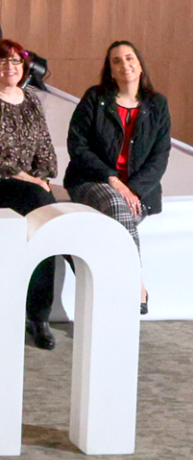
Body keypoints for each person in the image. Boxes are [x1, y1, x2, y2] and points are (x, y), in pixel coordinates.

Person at [0, 38, 63, 349]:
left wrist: (41, 177)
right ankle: (37, 315)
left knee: (45, 219)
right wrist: (27, 179)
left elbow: (45, 147)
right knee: (46, 211)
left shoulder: (31, 97)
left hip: (32, 186)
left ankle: (38, 315)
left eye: (17, 61)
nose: (11, 66)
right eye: (3, 61)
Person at [65, 40, 171, 314]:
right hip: (92, 181)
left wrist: (133, 189)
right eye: (116, 61)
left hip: (139, 190)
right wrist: (113, 180)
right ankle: (136, 283)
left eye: (129, 58)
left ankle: (106, 294)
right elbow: (77, 146)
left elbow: (160, 157)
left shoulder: (157, 104)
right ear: (110, 71)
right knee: (116, 203)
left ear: (140, 65)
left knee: (113, 222)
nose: (124, 64)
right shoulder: (95, 98)